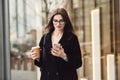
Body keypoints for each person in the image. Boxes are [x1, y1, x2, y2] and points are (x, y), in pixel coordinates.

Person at [31, 8, 82, 80]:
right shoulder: (45, 38)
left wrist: (64, 56)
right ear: (52, 21)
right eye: (55, 21)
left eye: (61, 21)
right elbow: (42, 64)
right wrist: (38, 58)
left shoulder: (72, 38)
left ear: (66, 22)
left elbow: (78, 63)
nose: (58, 24)